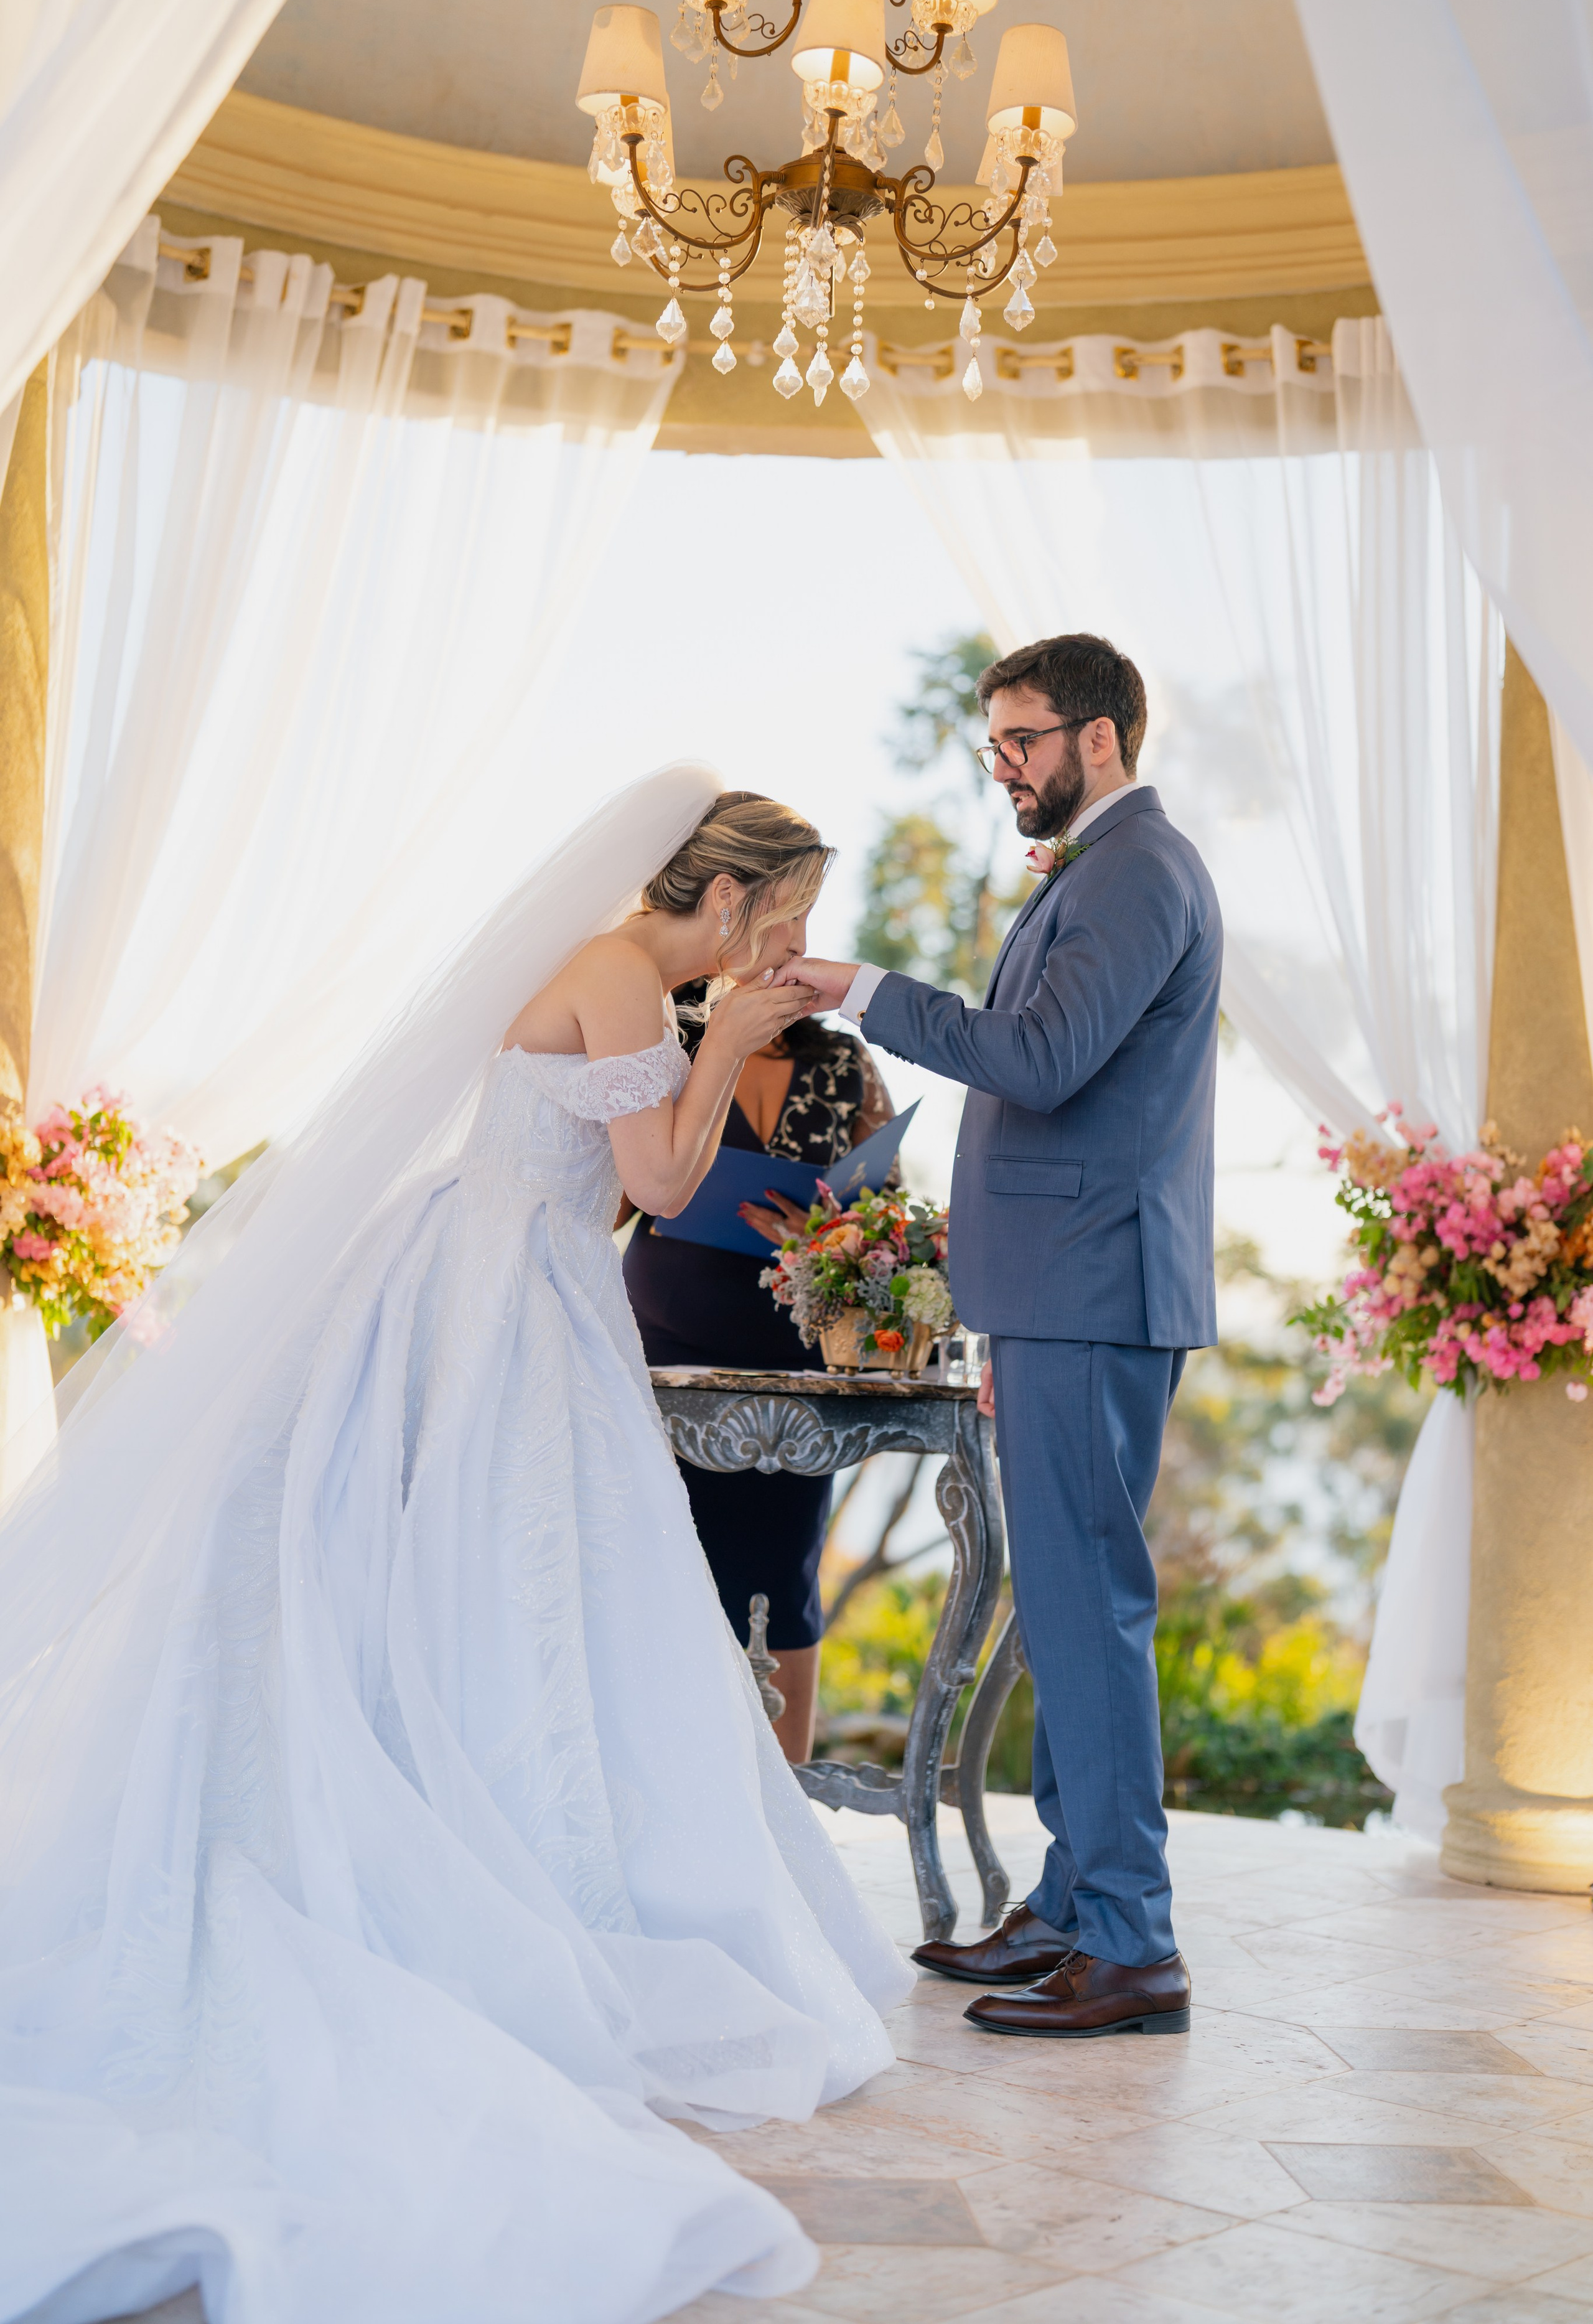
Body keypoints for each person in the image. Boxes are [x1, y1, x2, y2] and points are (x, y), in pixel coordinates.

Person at [0, 770, 912, 2324]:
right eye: (782, 921)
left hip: (525, 1276)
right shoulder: (631, 969)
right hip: (499, 1287)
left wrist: (725, 1050)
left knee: (538, 1585)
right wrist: (732, 1051)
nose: (782, 950)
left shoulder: (632, 975)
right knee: (505, 1574)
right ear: (730, 898)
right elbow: (661, 1187)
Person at [782, 633, 1221, 2041]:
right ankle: (1075, 1904)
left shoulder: (1139, 869)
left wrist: (862, 989)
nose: (1004, 769)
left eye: (1021, 740)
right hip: (1061, 1288)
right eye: (995, 745)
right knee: (1069, 1611)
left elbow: (1035, 1060)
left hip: (1089, 1291)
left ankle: (1132, 1943)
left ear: (1098, 738)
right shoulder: (1108, 869)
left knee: (1086, 1611)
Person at [624, 949, 895, 1765]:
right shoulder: (662, 1033)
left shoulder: (842, 1059)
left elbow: (884, 1220)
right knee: (664, 1569)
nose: (794, 944)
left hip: (798, 1362)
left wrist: (821, 1237)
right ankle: (659, 1793)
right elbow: (611, 1186)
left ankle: (787, 1807)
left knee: (785, 1578)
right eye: (782, 919)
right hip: (666, 1349)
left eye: (806, 924)